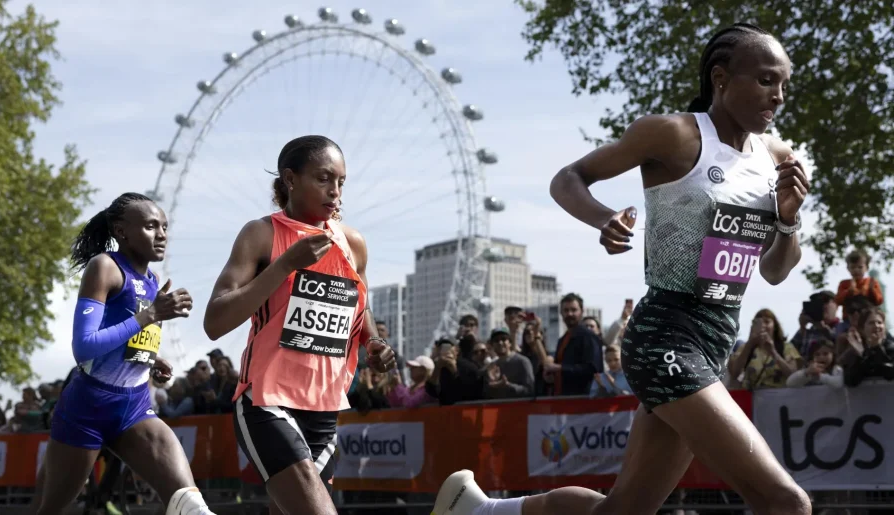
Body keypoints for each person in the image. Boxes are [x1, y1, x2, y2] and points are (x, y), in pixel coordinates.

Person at [433, 23, 812, 515]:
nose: (778, 96)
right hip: (664, 336)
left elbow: (776, 272)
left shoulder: (778, 158)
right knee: (786, 502)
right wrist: (603, 218)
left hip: (716, 340)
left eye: (784, 84)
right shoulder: (673, 134)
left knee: (622, 511)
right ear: (720, 78)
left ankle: (478, 511)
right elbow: (568, 178)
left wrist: (786, 219)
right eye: (765, 80)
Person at [203, 135, 396, 515]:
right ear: (290, 179)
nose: (335, 191)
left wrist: (373, 344)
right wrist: (284, 265)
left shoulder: (352, 243)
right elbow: (215, 320)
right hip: (268, 402)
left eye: (341, 181)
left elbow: (361, 310)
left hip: (325, 410)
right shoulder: (261, 234)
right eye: (324, 179)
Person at [31, 192, 215, 515]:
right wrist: (150, 315)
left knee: (191, 505)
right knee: (49, 510)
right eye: (150, 226)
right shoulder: (104, 267)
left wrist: (149, 359)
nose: (161, 235)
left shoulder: (154, 280)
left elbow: (125, 337)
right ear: (121, 231)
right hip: (87, 408)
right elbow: (84, 347)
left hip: (134, 406)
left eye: (164, 227)